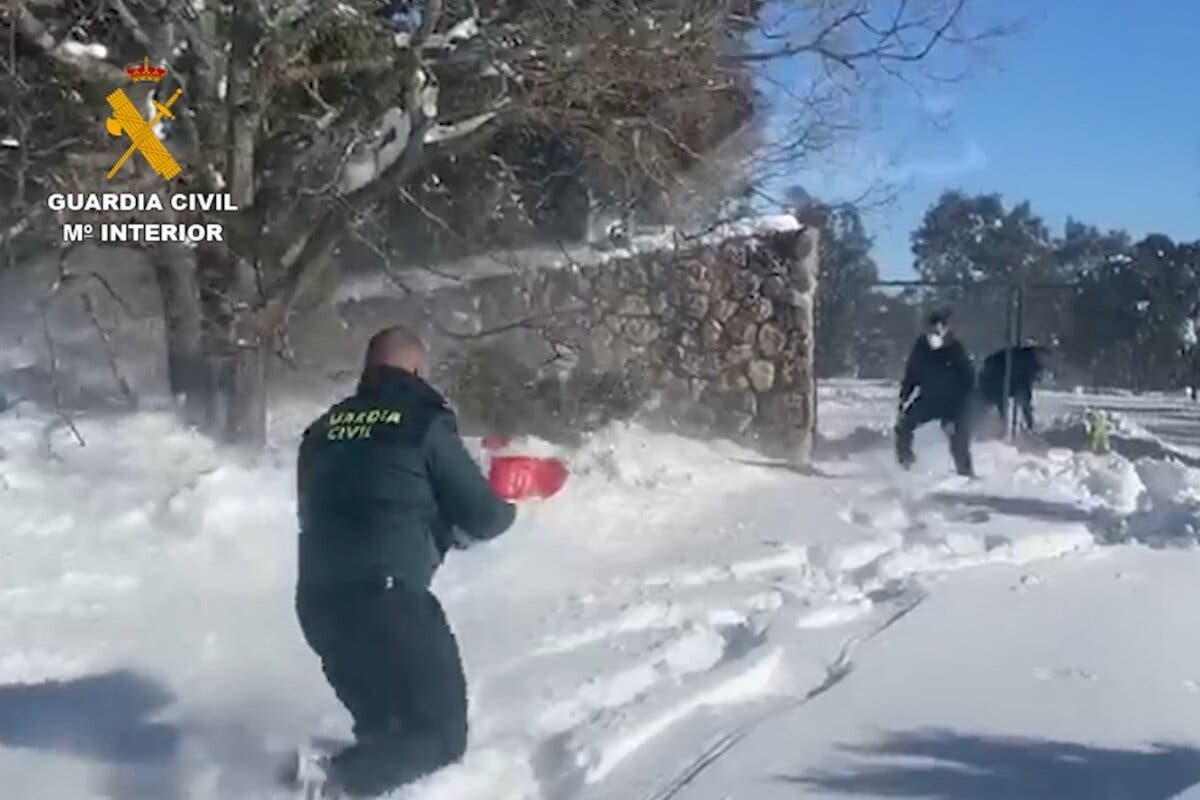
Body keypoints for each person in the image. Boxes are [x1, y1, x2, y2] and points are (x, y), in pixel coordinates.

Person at [294, 325, 517, 798]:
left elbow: (339, 503)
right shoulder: (422, 422)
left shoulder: (322, 430)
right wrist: (511, 497)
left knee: (388, 736)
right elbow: (485, 516)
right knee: (439, 736)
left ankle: (279, 780)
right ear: (417, 369)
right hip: (388, 598)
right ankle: (317, 782)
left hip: (318, 602)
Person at [895, 309, 976, 477]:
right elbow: (912, 374)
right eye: (932, 330)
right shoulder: (921, 347)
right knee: (903, 425)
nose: (936, 334)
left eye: (940, 330)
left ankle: (965, 472)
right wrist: (904, 398)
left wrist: (957, 413)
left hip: (953, 404)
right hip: (928, 400)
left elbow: (968, 381)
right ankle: (906, 463)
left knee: (958, 437)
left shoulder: (956, 349)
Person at [977, 344, 1050, 431]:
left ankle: (997, 427)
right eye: (1044, 358)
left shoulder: (1028, 360)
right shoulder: (1026, 360)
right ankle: (996, 428)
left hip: (1000, 383)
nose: (1045, 363)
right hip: (996, 382)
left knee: (994, 404)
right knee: (994, 403)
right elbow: (1024, 385)